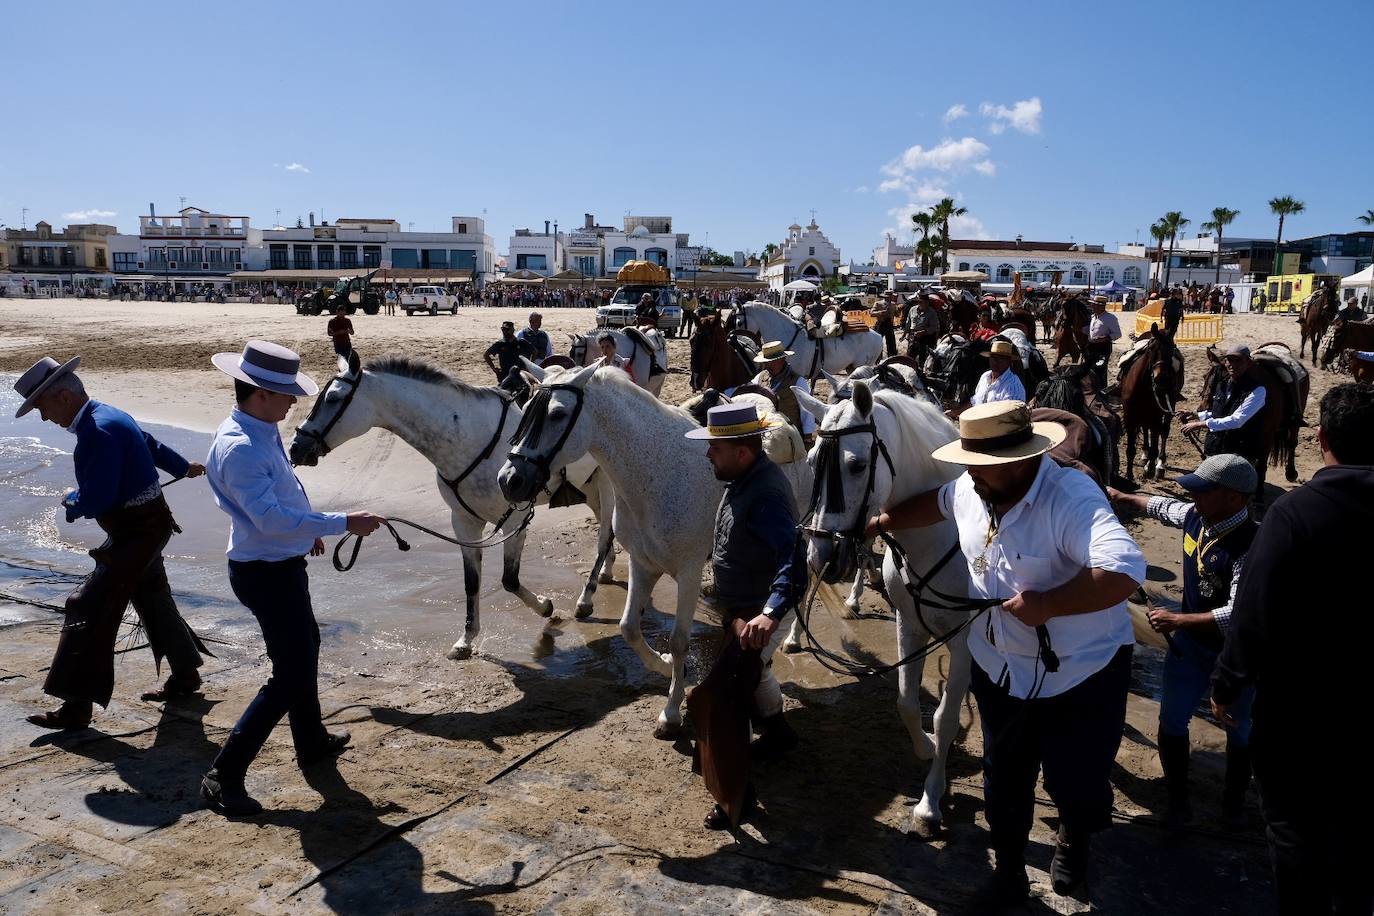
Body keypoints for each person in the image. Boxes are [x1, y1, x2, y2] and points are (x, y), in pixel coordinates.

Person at [865, 400, 1146, 908]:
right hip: (1000, 671)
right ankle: (1010, 872)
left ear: (1017, 462)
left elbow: (1124, 570)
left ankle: (1074, 837)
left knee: (1074, 782)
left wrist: (1051, 603)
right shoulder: (973, 489)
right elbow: (937, 502)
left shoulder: (1072, 497)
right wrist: (881, 520)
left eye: (980, 466)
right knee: (1004, 783)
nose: (970, 475)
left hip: (1080, 676)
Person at [200, 341, 385, 816]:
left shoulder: (258, 428)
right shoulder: (240, 446)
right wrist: (341, 523)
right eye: (287, 395)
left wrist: (306, 532)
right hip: (264, 572)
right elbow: (269, 519)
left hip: (278, 563)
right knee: (290, 674)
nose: (293, 404)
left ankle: (313, 741)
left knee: (306, 649)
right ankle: (224, 774)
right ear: (261, 393)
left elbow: (283, 501)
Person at [1211, 384, 1374, 916]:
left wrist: (1228, 682)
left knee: (1294, 835)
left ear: (1321, 437)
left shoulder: (1292, 513)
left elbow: (1254, 613)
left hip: (1302, 711)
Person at [12, 356, 208, 730]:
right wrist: (183, 467)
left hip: (138, 533)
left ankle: (76, 707)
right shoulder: (108, 415)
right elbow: (149, 444)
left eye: (42, 407)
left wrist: (73, 501)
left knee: (87, 604)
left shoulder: (96, 433)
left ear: (65, 397)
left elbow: (97, 499)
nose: (43, 417)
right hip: (147, 526)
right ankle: (185, 675)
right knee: (153, 598)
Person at [1108, 455, 1259, 829]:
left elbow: (1239, 614)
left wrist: (1178, 620)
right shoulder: (1199, 516)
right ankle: (1177, 798)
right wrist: (1123, 497)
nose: (1195, 500)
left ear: (1235, 499)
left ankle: (1234, 801)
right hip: (1191, 646)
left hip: (1236, 653)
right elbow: (1163, 507)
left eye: (1204, 493)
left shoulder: (1251, 545)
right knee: (1172, 718)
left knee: (1240, 726)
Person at [684, 403, 805, 829]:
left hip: (758, 612)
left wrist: (769, 614)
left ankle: (737, 798)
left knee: (721, 699)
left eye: (715, 447)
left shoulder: (765, 494)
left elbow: (793, 558)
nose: (708, 455)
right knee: (742, 683)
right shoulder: (741, 477)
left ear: (742, 450)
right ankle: (778, 734)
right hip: (737, 608)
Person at [1180, 343, 1267, 499]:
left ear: (1248, 363)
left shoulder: (1257, 390)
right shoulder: (1221, 385)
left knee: (1235, 497)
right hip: (1216, 449)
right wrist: (1196, 415)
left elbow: (1238, 420)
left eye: (1238, 361)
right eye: (1229, 360)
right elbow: (1218, 413)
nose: (1232, 365)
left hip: (1240, 453)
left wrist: (1202, 424)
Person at [751, 340, 816, 446]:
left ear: (782, 359)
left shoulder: (798, 382)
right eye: (765, 363)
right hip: (764, 434)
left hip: (790, 436)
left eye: (771, 362)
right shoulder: (760, 378)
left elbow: (807, 411)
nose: (767, 366)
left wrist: (807, 435)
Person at [968, 339, 1026, 409]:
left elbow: (1009, 414)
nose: (995, 361)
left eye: (1001, 358)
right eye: (993, 357)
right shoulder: (985, 376)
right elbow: (974, 401)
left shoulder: (1013, 386)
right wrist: (953, 412)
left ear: (1009, 362)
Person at [484, 321, 536, 395]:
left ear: (512, 330)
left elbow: (534, 352)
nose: (505, 332)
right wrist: (494, 368)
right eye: (503, 329)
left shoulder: (521, 342)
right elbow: (486, 355)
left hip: (521, 374)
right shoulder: (500, 344)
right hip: (505, 374)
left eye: (507, 329)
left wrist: (530, 365)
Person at [1084, 295, 1122, 387]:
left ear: (1101, 306)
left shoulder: (1111, 318)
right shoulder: (1093, 317)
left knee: (1100, 369)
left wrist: (1105, 338)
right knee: (1090, 369)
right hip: (1091, 347)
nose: (1092, 306)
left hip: (1103, 348)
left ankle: (1101, 389)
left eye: (1094, 305)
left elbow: (1118, 334)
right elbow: (1089, 330)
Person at [904, 292, 940, 361]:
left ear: (927, 302)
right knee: (909, 357)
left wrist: (923, 332)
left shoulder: (932, 312)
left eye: (924, 302)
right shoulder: (912, 309)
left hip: (926, 338)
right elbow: (908, 322)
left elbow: (934, 327)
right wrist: (906, 333)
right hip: (913, 337)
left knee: (923, 358)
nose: (922, 304)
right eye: (920, 302)